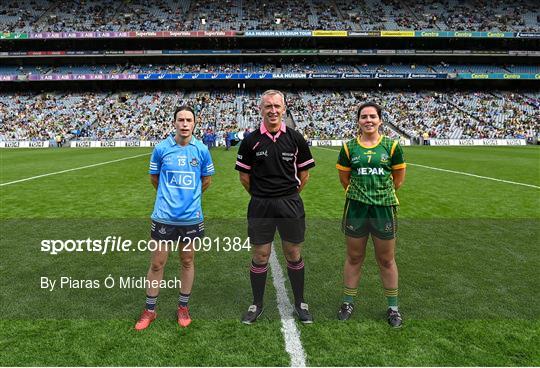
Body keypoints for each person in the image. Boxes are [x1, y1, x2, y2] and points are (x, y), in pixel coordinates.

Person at [235, 90, 316, 324]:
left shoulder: (296, 138)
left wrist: (287, 195)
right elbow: (244, 178)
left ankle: (300, 302)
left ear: (284, 109)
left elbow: (304, 174)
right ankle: (257, 304)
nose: (272, 110)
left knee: (293, 253)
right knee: (261, 256)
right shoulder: (250, 140)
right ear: (260, 109)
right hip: (260, 205)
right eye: (268, 106)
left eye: (277, 106)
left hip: (290, 203)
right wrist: (263, 196)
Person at [135, 105, 215, 330]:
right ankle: (150, 311)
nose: (185, 124)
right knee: (157, 263)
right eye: (181, 120)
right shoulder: (161, 149)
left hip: (190, 217)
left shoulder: (201, 149)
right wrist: (168, 199)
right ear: (174, 123)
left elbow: (206, 180)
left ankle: (183, 307)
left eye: (189, 120)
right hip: (164, 217)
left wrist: (189, 200)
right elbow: (154, 178)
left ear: (194, 123)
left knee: (187, 261)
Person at [335, 102, 406, 328]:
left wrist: (379, 195)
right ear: (358, 121)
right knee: (354, 257)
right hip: (356, 209)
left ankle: (393, 308)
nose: (368, 120)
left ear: (380, 120)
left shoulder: (392, 147)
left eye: (372, 116)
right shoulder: (348, 148)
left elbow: (399, 179)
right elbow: (344, 179)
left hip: (383, 209)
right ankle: (347, 302)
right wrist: (360, 195)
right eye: (364, 116)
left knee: (386, 259)